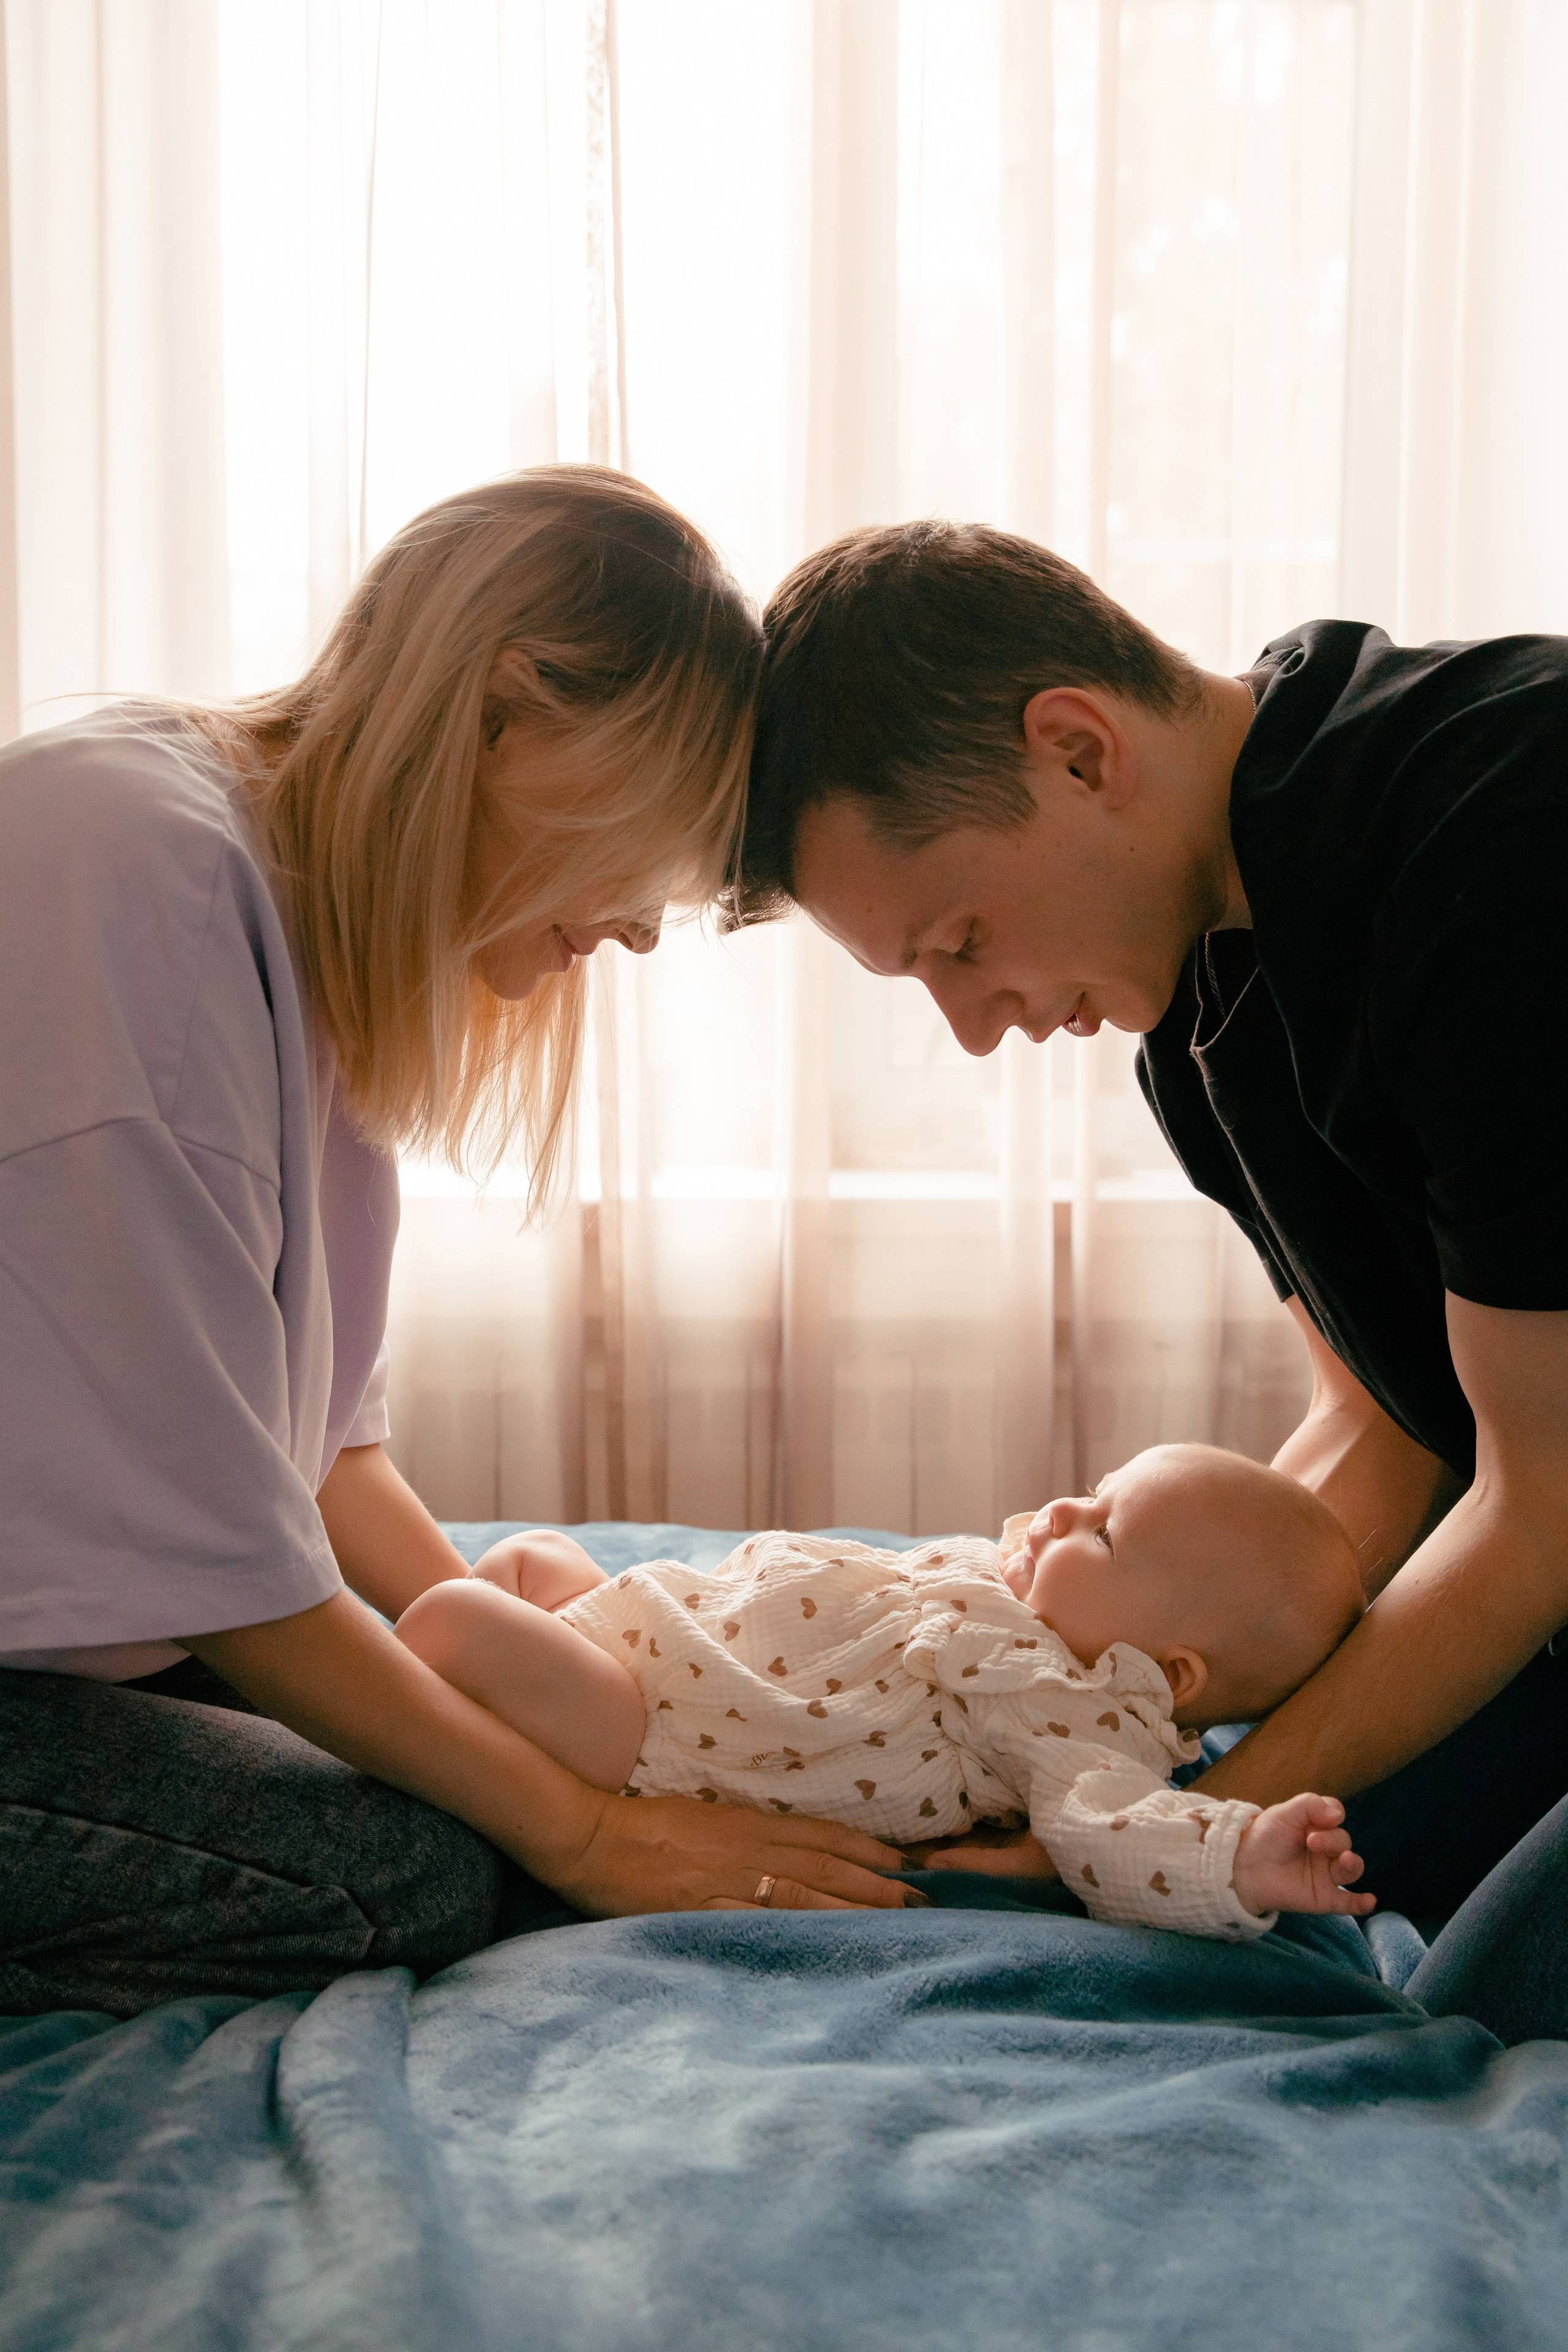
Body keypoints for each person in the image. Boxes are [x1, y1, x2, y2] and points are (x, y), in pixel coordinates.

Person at [0, 466, 924, 2023]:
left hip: (93, 1636)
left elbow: (315, 1468)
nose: (640, 930)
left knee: (468, 1774)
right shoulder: (131, 874)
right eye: (650, 848)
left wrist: (503, 1676)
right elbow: (236, 1574)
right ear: (504, 713)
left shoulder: (301, 914)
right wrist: (592, 1831)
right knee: (412, 1872)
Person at [723, 518, 1568, 2035]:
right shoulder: (1198, 1018)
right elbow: (1383, 1434)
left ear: (1075, 748)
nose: (975, 1028)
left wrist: (1154, 1829)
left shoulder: (1499, 840)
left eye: (960, 943)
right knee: (1241, 1932)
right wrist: (1096, 1716)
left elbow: (1539, 1505)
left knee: (1473, 2016)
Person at [395, 1444, 1374, 1941]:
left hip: (650, 1728)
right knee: (531, 1559)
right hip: (662, 1627)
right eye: (1095, 1487)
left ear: (1167, 1675)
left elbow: (1111, 1830)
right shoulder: (1025, 1594)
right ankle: (460, 1710)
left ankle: (386, 1725)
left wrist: (1241, 1855)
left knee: (446, 1617)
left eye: (1105, 1532)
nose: (1062, 1508)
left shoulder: (1072, 1705)